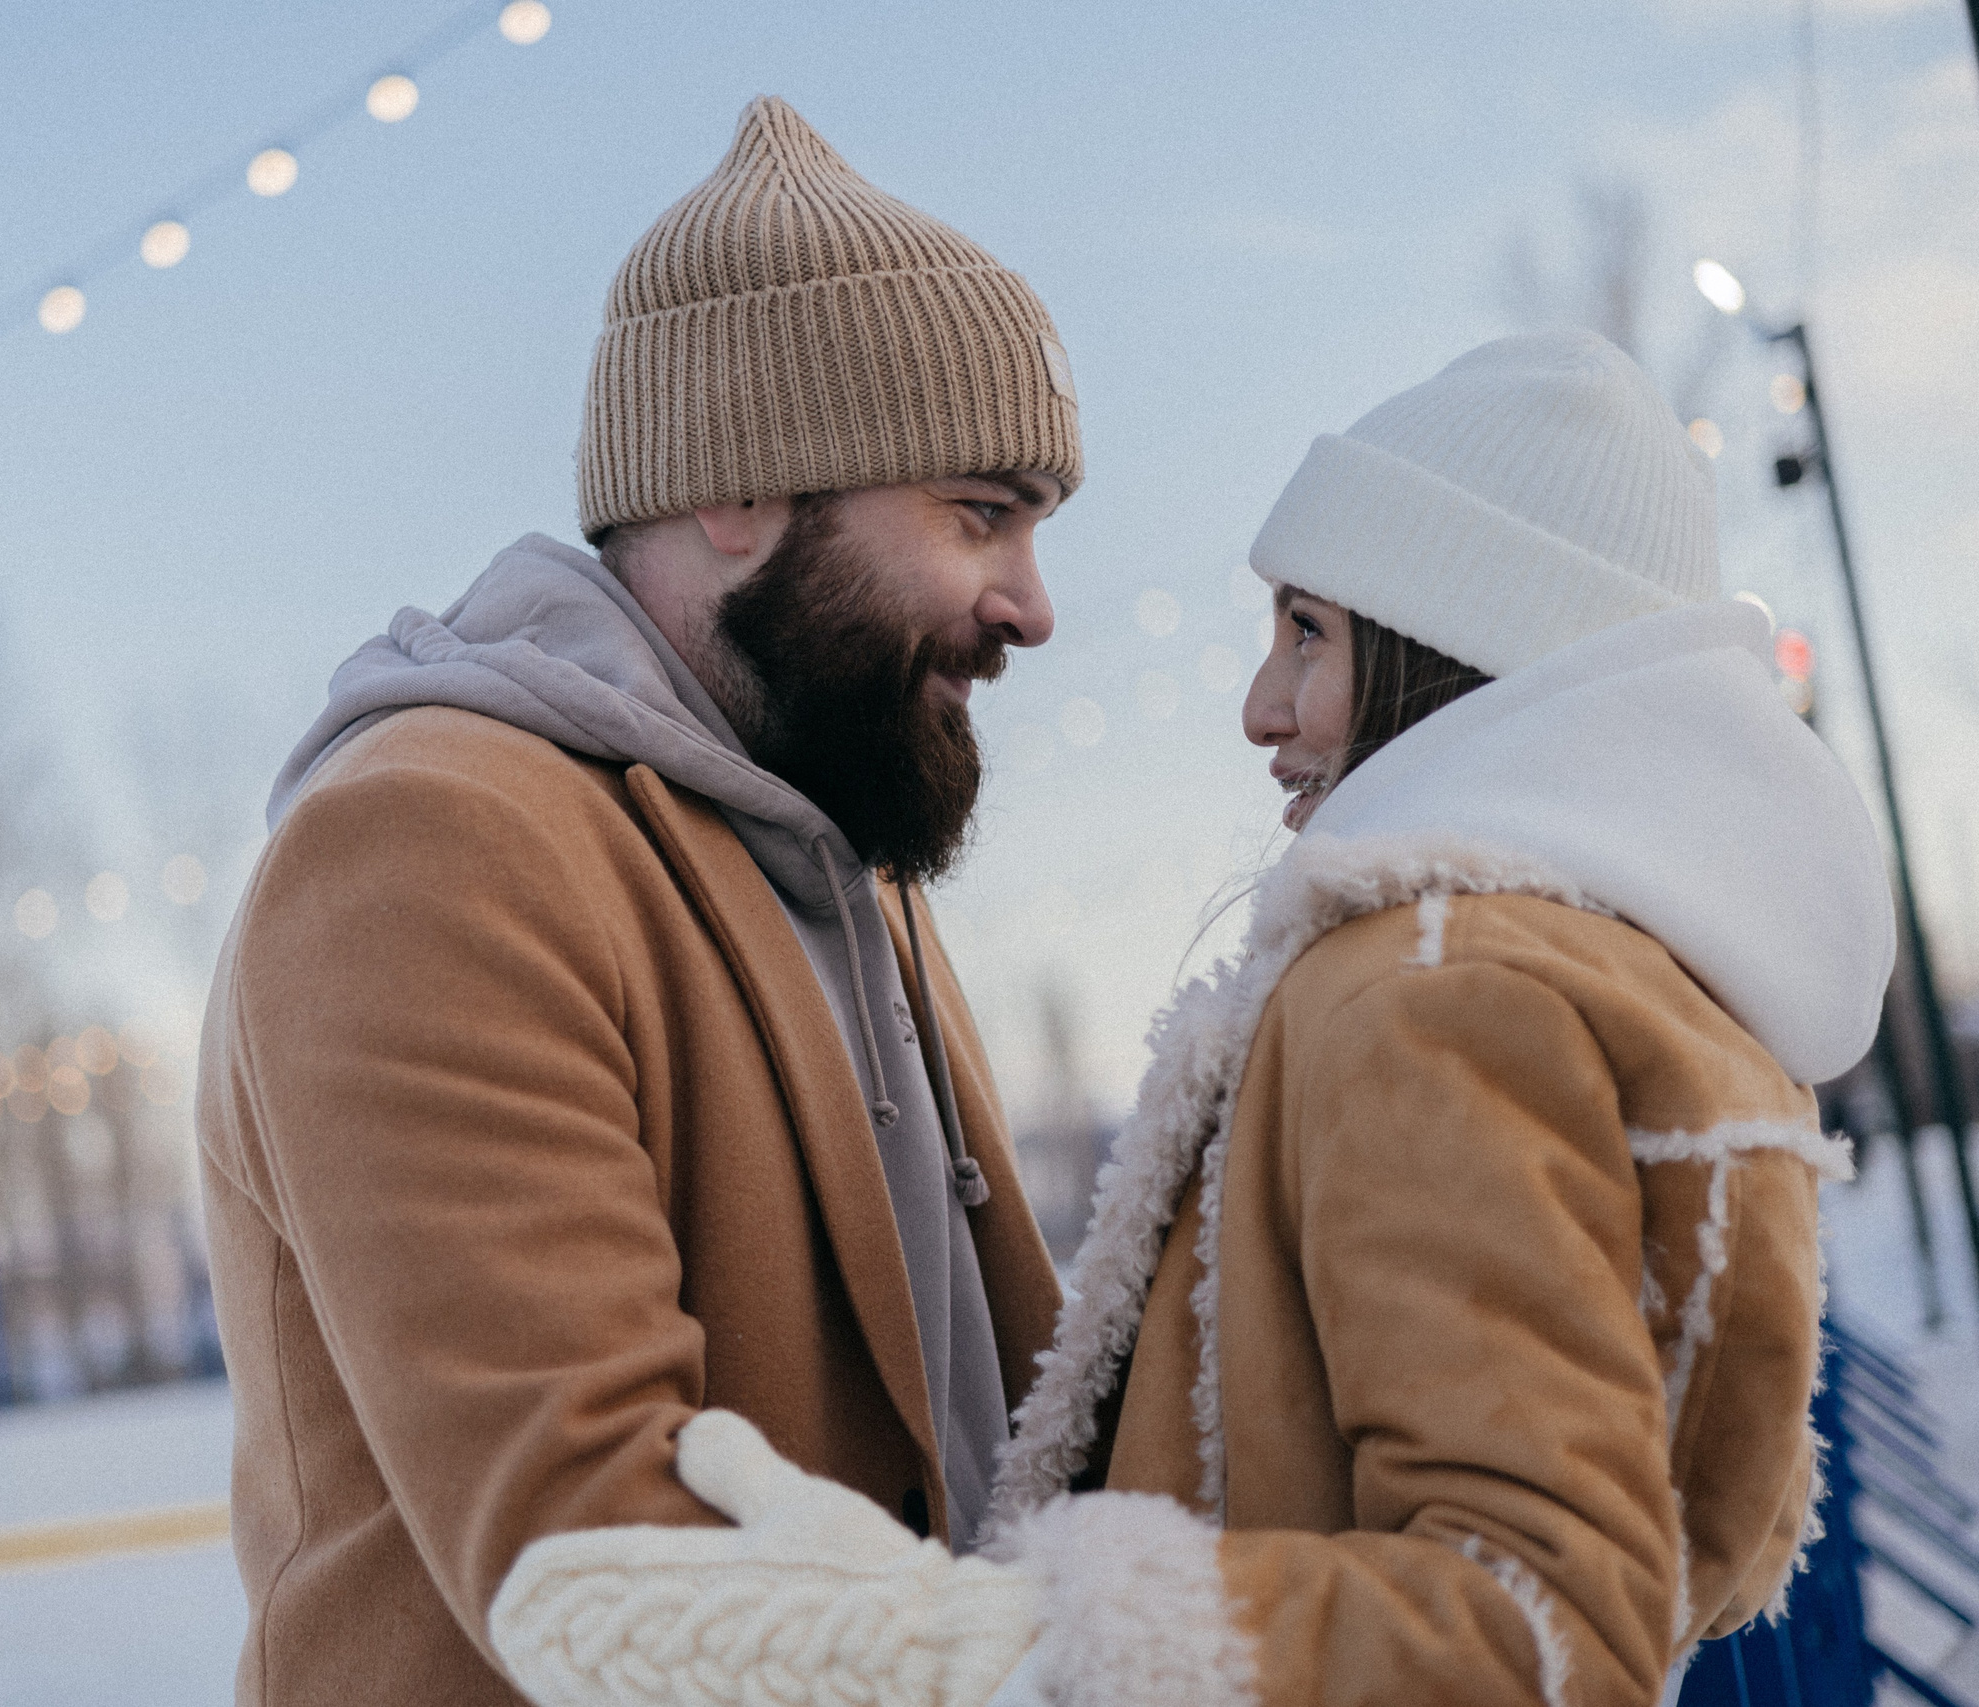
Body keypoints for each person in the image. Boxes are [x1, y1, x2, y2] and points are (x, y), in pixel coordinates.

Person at [487, 331, 1896, 1707]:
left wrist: (1017, 1646)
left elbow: (1544, 1619)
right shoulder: (1614, 979)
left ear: (1452, 653)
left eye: (1308, 633)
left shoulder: (1436, 992)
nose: (1259, 704)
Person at [195, 96, 1083, 1704]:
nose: (1029, 604)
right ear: (739, 492)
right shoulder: (429, 850)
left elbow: (1002, 1431)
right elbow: (607, 1552)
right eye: (979, 513)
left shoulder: (847, 861)